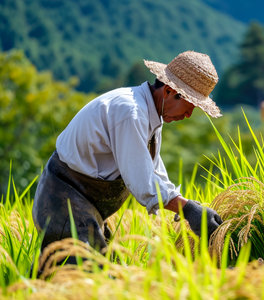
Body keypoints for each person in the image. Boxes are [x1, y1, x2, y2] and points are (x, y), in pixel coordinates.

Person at [32, 51, 223, 256]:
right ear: (169, 91)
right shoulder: (131, 113)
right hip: (64, 199)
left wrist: (189, 206)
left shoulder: (151, 116)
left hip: (85, 205)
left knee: (84, 274)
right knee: (89, 275)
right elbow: (142, 182)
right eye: (189, 107)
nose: (188, 115)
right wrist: (188, 210)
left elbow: (154, 173)